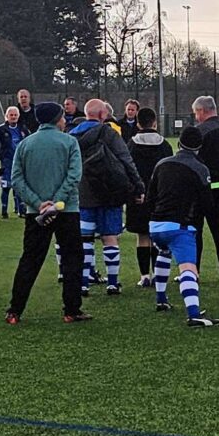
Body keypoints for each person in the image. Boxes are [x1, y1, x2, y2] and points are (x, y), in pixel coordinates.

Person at [6, 102, 88, 323]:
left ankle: (15, 310)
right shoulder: (70, 142)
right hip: (67, 210)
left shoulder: (25, 144)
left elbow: (17, 179)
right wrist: (57, 201)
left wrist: (38, 202)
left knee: (30, 260)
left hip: (36, 212)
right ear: (56, 119)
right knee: (72, 258)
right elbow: (74, 175)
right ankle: (72, 310)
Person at [68, 99, 145, 296]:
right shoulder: (109, 132)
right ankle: (112, 283)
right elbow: (126, 159)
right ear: (103, 115)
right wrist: (138, 186)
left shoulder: (71, 136)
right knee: (110, 238)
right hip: (110, 191)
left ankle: (83, 283)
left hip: (83, 193)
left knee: (85, 239)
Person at [143, 123, 218, 327]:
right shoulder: (200, 168)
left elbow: (150, 197)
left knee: (163, 253)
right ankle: (194, 315)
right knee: (188, 269)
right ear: (199, 146)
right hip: (180, 227)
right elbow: (208, 203)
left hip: (155, 225)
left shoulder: (162, 164)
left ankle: (161, 300)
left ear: (180, 143)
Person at [190, 95, 219, 281]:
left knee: (196, 227)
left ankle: (194, 270)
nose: (196, 117)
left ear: (202, 110)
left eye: (196, 113)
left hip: (203, 184)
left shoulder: (200, 131)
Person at [125, 105, 170, 285]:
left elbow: (127, 170)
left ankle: (144, 276)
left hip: (138, 195)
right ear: (155, 123)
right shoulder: (164, 145)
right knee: (157, 235)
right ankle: (158, 274)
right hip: (159, 196)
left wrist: (133, 192)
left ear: (138, 123)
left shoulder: (131, 144)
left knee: (142, 235)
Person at [0, 104, 26, 222]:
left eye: (15, 115)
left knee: (19, 186)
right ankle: (4, 211)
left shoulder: (22, 129)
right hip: (6, 162)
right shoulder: (0, 130)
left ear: (18, 116)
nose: (13, 117)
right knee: (6, 187)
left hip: (19, 162)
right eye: (11, 115)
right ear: (6, 116)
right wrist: (0, 156)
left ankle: (21, 210)